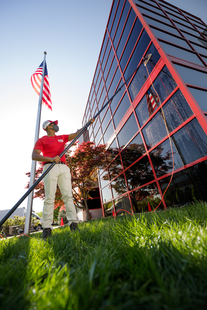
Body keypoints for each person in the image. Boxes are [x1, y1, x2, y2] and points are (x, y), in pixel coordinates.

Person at [32, 120, 83, 238]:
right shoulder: (41, 140)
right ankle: (47, 228)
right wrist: (50, 159)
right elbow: (34, 156)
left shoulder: (61, 137)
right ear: (48, 126)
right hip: (49, 167)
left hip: (64, 168)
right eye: (53, 124)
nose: (56, 125)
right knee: (50, 197)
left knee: (68, 196)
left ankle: (73, 224)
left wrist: (86, 125)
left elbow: (75, 134)